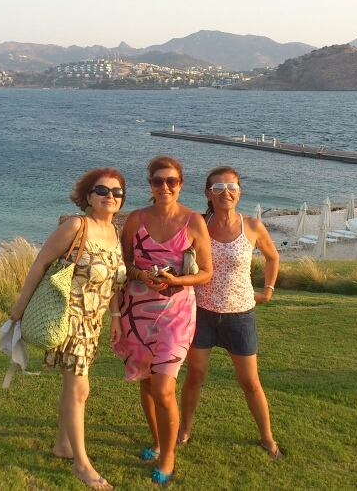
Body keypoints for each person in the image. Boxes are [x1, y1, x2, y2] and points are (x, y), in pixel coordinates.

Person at [10, 168, 127, 491]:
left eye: (117, 192)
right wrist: (20, 305)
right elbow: (41, 263)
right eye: (102, 190)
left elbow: (113, 282)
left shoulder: (116, 232)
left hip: (93, 322)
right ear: (88, 196)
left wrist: (116, 317)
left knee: (73, 388)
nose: (110, 196)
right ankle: (81, 464)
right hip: (69, 316)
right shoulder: (77, 226)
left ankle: (63, 444)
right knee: (79, 390)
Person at [112, 156, 212, 487]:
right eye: (158, 181)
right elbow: (124, 263)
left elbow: (206, 272)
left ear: (181, 184)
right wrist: (141, 274)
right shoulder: (135, 220)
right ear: (151, 185)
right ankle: (157, 441)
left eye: (171, 181)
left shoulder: (194, 221)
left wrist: (177, 281)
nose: (165, 187)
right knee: (146, 382)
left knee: (164, 387)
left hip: (176, 313)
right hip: (137, 310)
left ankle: (168, 456)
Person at [177, 166, 283, 460]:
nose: (226, 192)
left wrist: (268, 290)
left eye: (232, 187)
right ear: (208, 194)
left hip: (240, 315)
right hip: (202, 313)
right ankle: (185, 428)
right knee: (195, 375)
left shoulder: (252, 226)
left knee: (250, 382)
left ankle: (267, 438)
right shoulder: (198, 224)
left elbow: (273, 257)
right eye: (219, 187)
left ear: (239, 192)